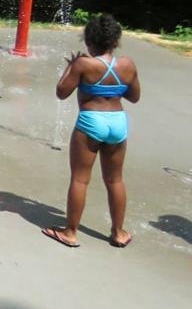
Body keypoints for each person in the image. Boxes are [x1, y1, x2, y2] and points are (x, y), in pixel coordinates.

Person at [43, 14, 141, 248]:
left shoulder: (83, 64)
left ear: (88, 41)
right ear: (115, 41)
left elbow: (61, 92)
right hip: (117, 122)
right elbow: (134, 97)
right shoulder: (127, 65)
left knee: (80, 178)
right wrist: (114, 88)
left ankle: (70, 232)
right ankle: (118, 232)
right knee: (115, 179)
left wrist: (69, 68)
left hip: (91, 121)